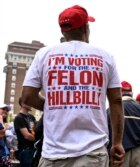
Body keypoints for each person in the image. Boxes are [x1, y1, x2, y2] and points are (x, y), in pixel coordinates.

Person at [21, 4, 125, 167]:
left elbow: (27, 96)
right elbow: (116, 101)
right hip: (93, 153)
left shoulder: (44, 55)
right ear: (86, 28)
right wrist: (117, 142)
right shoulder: (105, 57)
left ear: (63, 31)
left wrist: (52, 105)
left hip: (53, 155)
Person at [113, 81, 140, 167]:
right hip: (139, 152)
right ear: (131, 93)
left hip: (119, 154)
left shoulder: (111, 110)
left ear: (119, 93)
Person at [14, 97, 36, 167]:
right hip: (25, 150)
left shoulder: (31, 117)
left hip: (33, 148)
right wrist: (39, 139)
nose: (31, 104)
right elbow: (27, 136)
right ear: (23, 104)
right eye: (29, 102)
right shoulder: (19, 118)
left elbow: (35, 130)